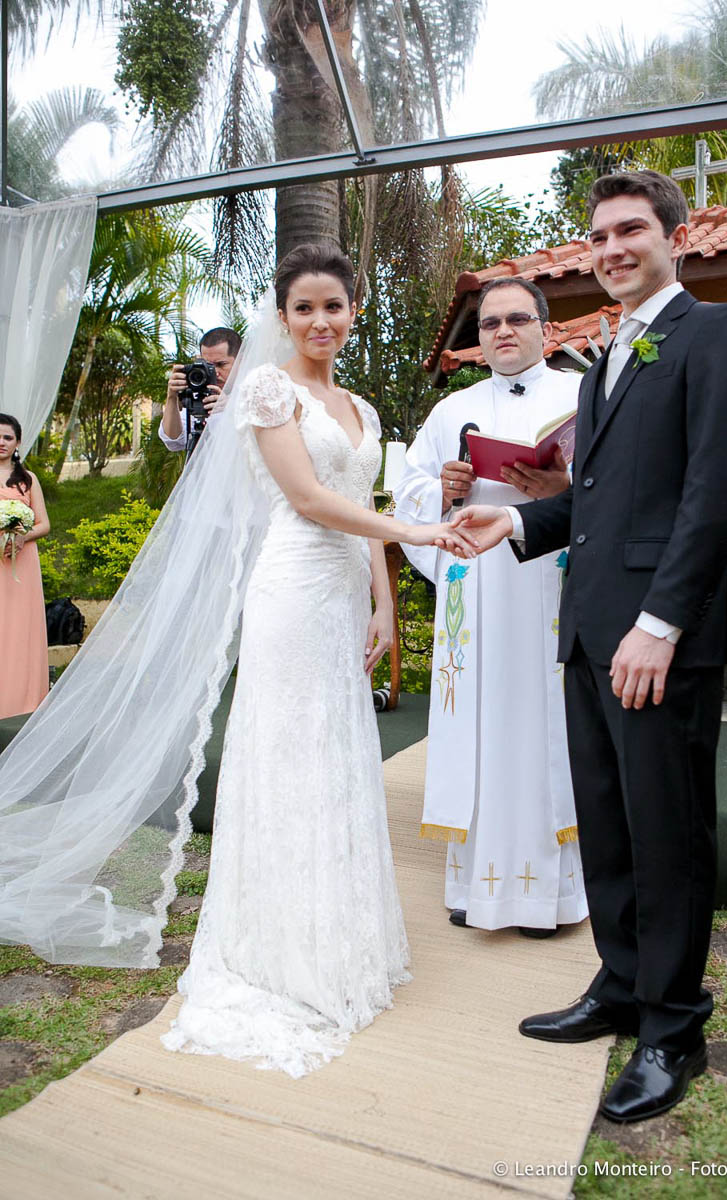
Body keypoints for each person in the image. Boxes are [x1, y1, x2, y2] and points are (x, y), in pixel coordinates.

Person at [0, 245, 475, 1078]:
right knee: (290, 758)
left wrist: (383, 600)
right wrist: (418, 533)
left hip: (342, 594)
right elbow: (307, 499)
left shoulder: (358, 403)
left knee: (338, 758)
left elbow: (358, 503)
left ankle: (341, 937)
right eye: (305, 309)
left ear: (354, 309)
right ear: (283, 316)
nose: (321, 322)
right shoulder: (267, 390)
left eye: (335, 306)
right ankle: (280, 951)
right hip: (291, 591)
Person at [449, 171, 727, 1123]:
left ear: (675, 237)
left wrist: (660, 625)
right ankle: (622, 985)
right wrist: (511, 526)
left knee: (668, 835)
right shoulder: (607, 362)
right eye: (600, 236)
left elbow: (715, 491)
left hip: (654, 638)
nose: (613, 247)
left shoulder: (717, 334)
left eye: (632, 229)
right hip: (588, 632)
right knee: (612, 824)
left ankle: (675, 1028)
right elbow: (595, 502)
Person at [393, 279, 588, 936]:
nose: (502, 331)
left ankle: (549, 898)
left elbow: (614, 485)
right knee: (478, 723)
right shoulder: (454, 408)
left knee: (547, 728)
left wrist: (562, 485)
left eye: (516, 319)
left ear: (545, 328)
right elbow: (410, 489)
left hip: (549, 587)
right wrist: (442, 488)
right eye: (489, 324)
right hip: (475, 594)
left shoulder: (581, 397)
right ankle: (472, 886)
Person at [0, 414, 50, 720]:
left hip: (22, 564)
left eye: (7, 437)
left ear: (18, 442)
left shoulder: (28, 479)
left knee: (20, 628)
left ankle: (23, 697)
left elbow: (44, 524)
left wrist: (21, 538)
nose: (1, 442)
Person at [158, 327, 242, 451]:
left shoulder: (256, 392)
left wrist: (232, 407)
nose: (215, 373)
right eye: (208, 366)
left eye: (220, 364)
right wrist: (172, 397)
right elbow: (173, 441)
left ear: (240, 360)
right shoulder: (200, 397)